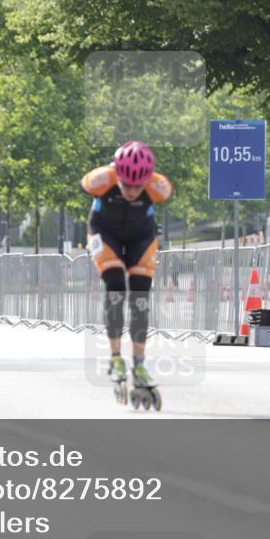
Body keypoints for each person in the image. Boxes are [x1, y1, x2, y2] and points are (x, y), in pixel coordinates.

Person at [81, 140, 172, 407]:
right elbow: (83, 184)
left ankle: (140, 364)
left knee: (141, 300)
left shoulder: (159, 187)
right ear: (117, 174)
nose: (132, 191)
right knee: (116, 288)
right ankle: (116, 358)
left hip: (140, 237)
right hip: (104, 233)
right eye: (127, 185)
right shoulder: (99, 180)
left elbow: (158, 191)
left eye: (138, 186)